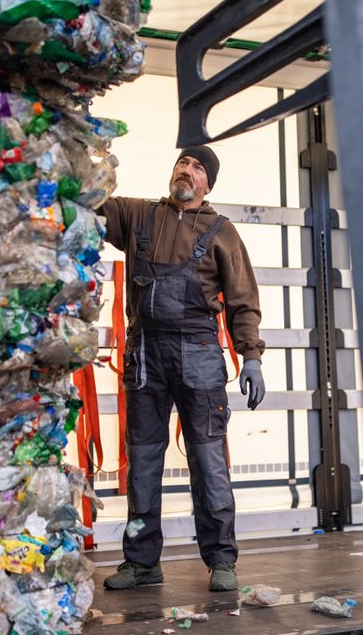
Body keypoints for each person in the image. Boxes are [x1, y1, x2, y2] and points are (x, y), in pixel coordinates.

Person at [97, 146, 266, 592]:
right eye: (182, 163)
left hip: (199, 354)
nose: (186, 170)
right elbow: (93, 203)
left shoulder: (222, 233)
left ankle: (222, 560)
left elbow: (244, 301)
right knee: (143, 465)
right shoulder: (138, 216)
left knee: (209, 463)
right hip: (146, 353)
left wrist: (251, 357)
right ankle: (141, 562)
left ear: (208, 183)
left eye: (196, 167)